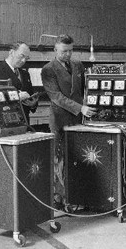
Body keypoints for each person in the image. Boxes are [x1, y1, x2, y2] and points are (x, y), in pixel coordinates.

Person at [41, 34, 97, 210]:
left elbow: (83, 90)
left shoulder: (78, 65)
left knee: (77, 157)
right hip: (59, 119)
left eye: (71, 51)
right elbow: (56, 96)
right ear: (55, 50)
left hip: (78, 118)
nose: (68, 54)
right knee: (60, 159)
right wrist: (80, 108)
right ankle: (62, 198)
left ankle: (74, 195)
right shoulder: (48, 70)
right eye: (64, 51)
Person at [0, 42, 38, 122]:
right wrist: (16, 97)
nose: (23, 61)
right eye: (22, 56)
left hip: (24, 123)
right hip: (4, 121)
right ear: (11, 52)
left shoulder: (25, 74)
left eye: (26, 58)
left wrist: (33, 104)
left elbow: (31, 94)